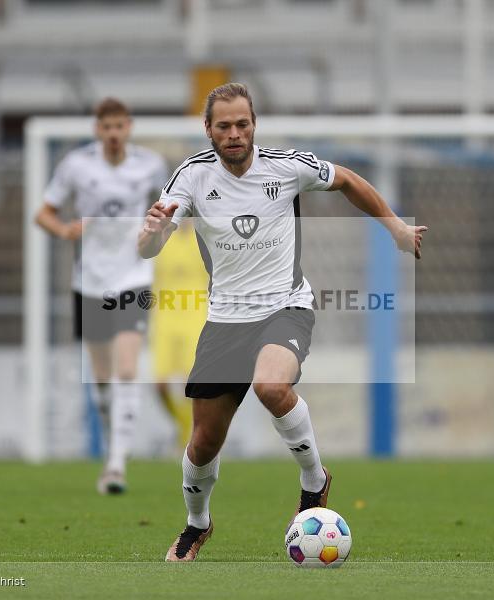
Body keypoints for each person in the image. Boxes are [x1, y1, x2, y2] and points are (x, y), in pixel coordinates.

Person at [139, 83, 427, 562]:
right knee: (203, 443)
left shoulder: (287, 167)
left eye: (243, 124)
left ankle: (314, 480)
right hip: (226, 320)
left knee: (272, 386)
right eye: (224, 126)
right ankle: (197, 524)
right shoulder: (191, 177)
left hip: (285, 307)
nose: (235, 134)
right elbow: (151, 242)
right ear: (207, 129)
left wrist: (394, 225)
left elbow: (349, 180)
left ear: (254, 125)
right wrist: (150, 234)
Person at [35, 98, 168, 495]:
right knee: (103, 377)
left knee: (128, 367)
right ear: (98, 129)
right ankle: (114, 440)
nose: (113, 134)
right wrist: (63, 231)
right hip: (90, 280)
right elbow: (43, 212)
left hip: (134, 276)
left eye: (119, 127)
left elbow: (168, 210)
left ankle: (115, 465)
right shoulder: (76, 165)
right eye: (106, 127)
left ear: (129, 127)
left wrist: (157, 231)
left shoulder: (150, 165)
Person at [150, 218, 206, 449]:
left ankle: (191, 437)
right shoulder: (160, 238)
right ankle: (184, 425)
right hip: (164, 318)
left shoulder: (205, 238)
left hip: (196, 316)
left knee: (189, 384)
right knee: (159, 385)